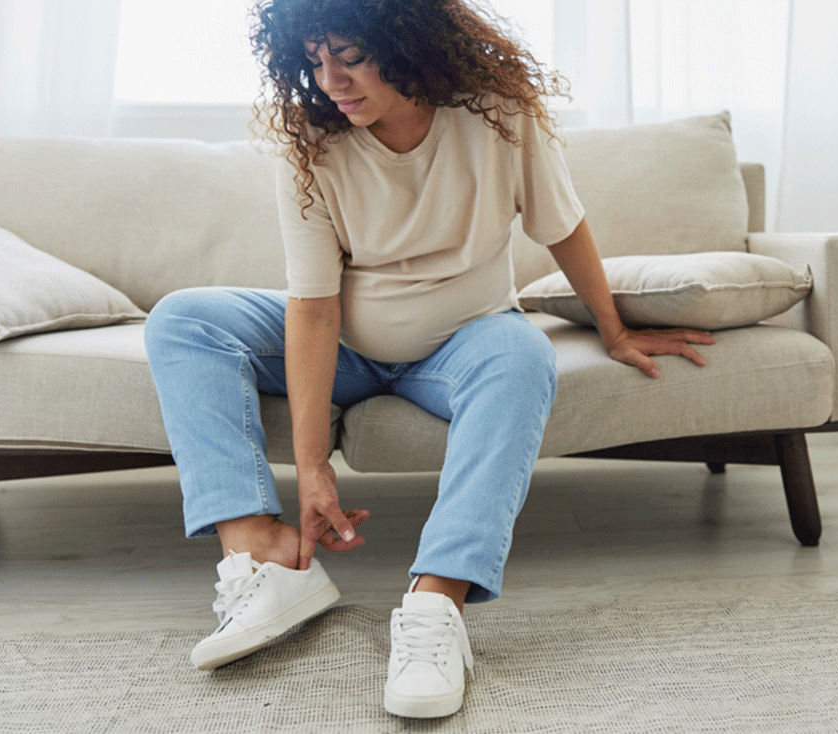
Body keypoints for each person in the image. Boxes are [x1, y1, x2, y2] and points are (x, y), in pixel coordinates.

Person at [143, 0, 714, 719]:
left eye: (349, 58)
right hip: (348, 345)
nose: (331, 81)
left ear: (407, 44)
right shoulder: (311, 142)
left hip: (463, 340)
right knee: (184, 319)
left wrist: (615, 330)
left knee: (523, 356)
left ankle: (436, 603)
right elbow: (314, 307)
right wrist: (314, 468)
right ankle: (268, 558)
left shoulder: (499, 114)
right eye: (316, 62)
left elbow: (563, 226)